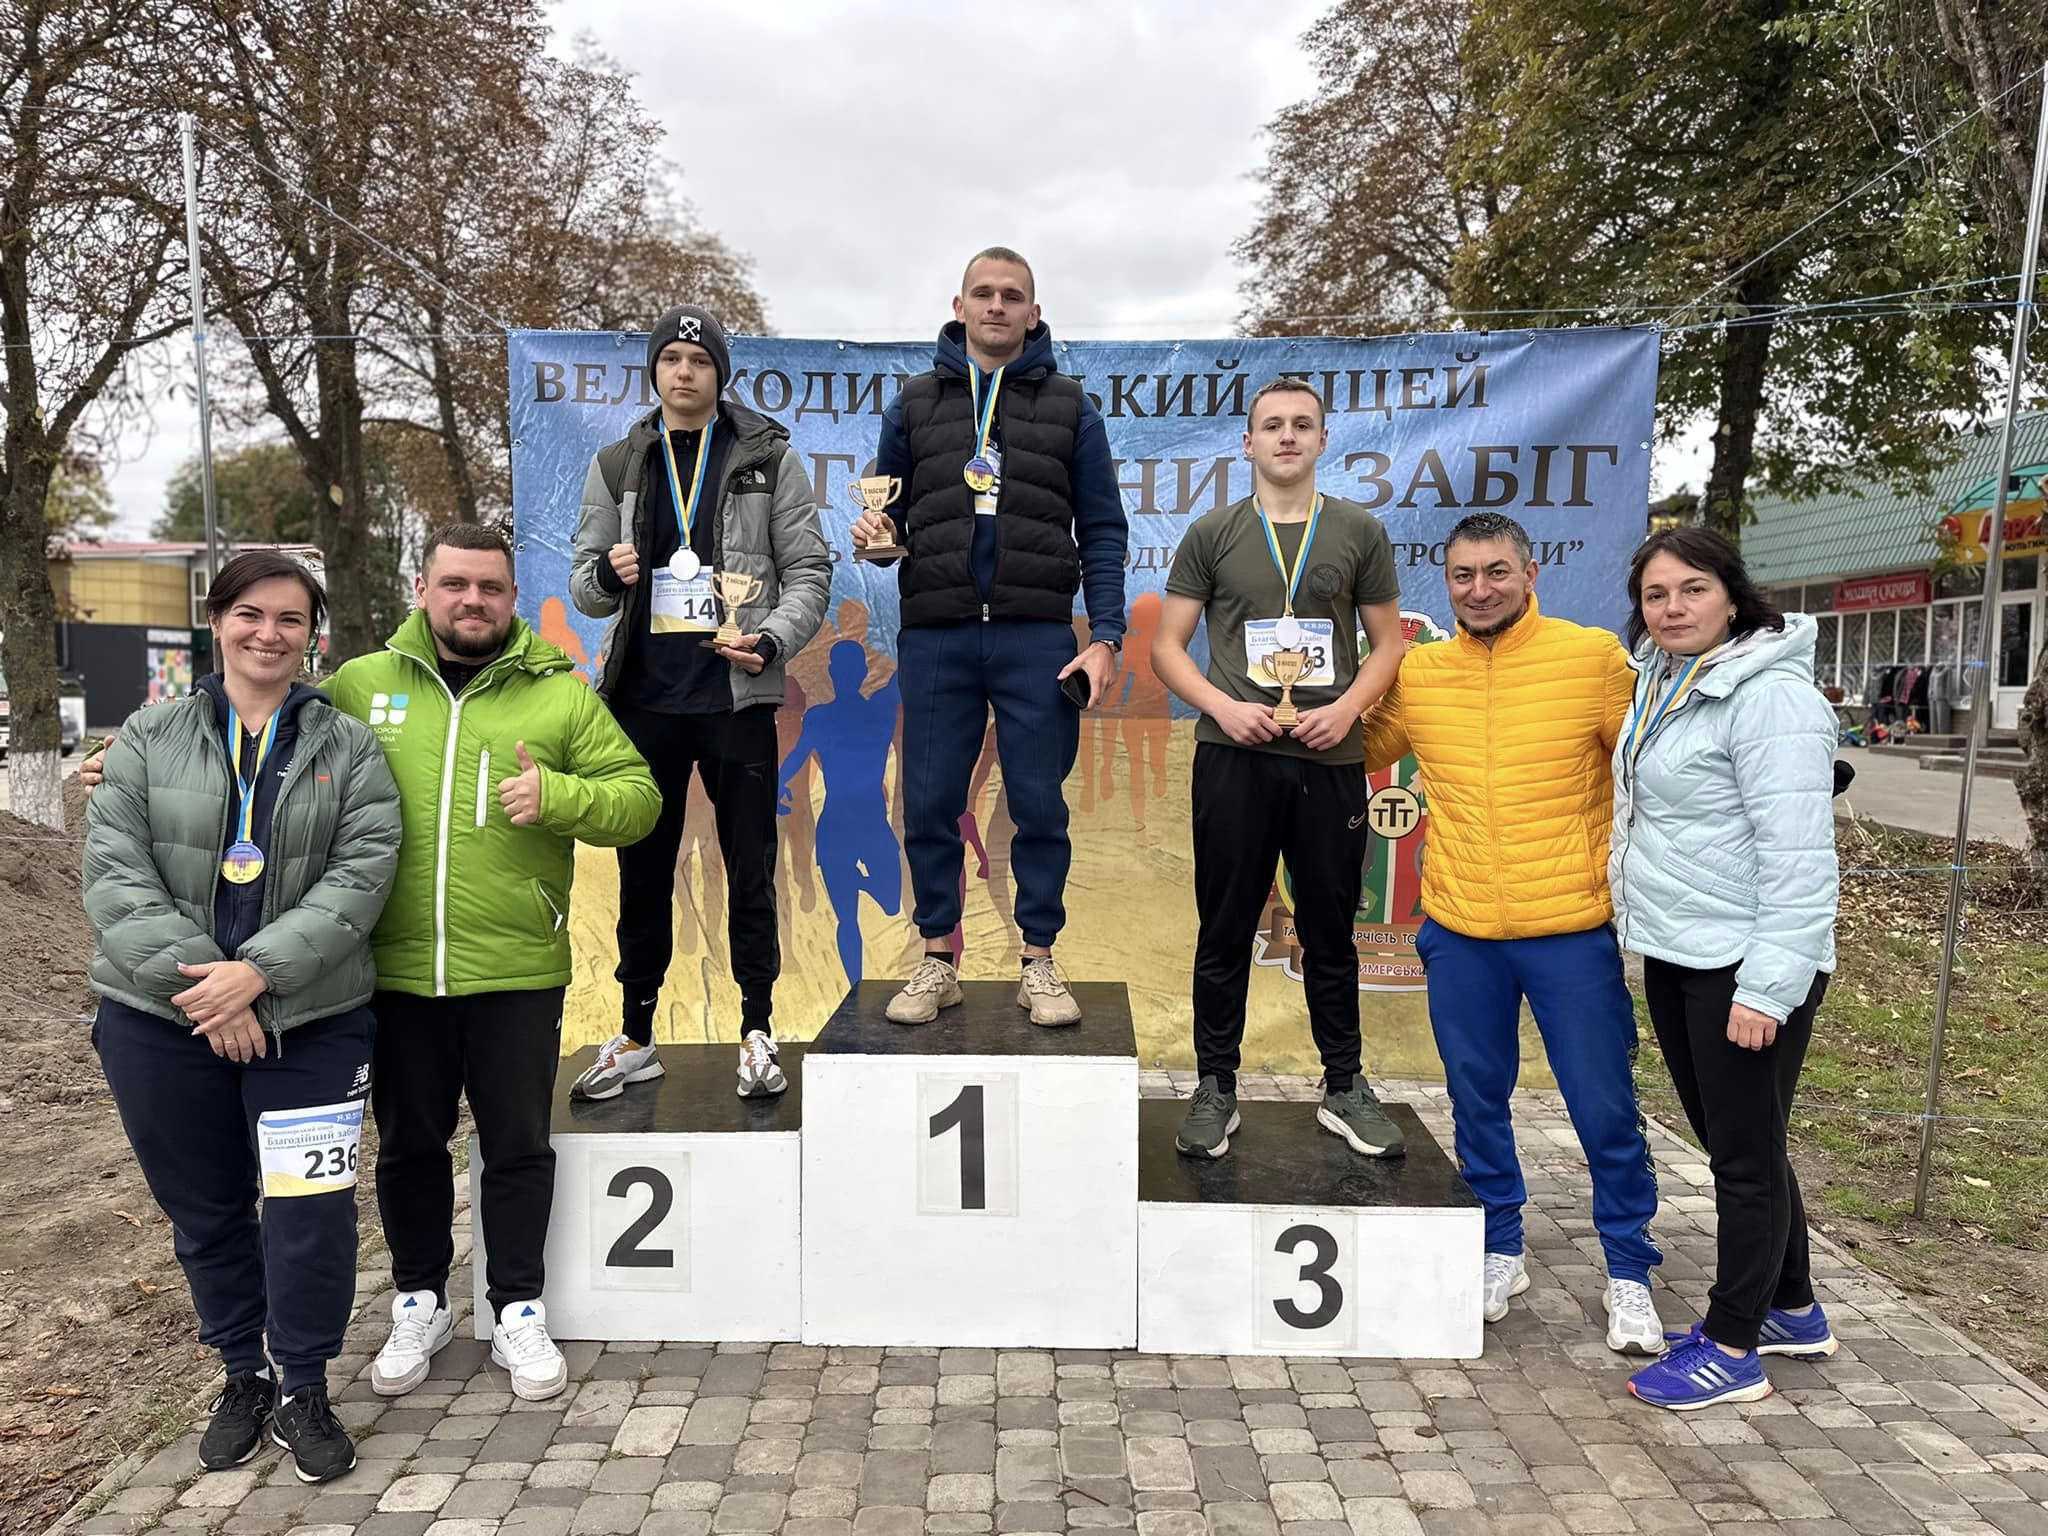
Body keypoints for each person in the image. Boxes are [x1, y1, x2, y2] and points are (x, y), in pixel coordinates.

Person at [82, 552, 401, 1484]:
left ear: (314, 636)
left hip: (312, 1021)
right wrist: (210, 990)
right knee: (209, 1211)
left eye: (291, 620)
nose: (270, 634)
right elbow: (114, 872)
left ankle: (304, 1384)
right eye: (251, 614)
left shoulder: (350, 748)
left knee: (309, 1214)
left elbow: (360, 879)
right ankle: (242, 1375)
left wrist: (254, 977)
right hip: (160, 1018)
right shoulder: (147, 734)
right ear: (215, 621)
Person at [1359, 512, 1665, 1355]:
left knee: (1603, 1108)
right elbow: (1353, 741)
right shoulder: (1422, 674)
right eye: (1463, 575)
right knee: (1475, 1099)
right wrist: (1319, 686)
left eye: (1497, 572)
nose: (1480, 589)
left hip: (1569, 927)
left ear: (1531, 574)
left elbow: (1656, 762)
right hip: (1459, 927)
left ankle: (1631, 1271)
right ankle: (1499, 1246)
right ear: (1445, 584)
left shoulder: (1594, 658)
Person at [848, 246, 1128, 1025]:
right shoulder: (913, 403)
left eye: (1013, 295)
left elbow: (1103, 529)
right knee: (930, 803)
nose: (998, 305)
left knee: (1039, 803)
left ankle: (1040, 960)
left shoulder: (1072, 406)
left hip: (1038, 637)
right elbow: (890, 518)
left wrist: (1104, 634)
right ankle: (939, 958)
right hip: (937, 635)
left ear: (1034, 313)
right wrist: (875, 534)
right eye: (984, 293)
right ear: (959, 305)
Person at [569, 303, 831, 1099]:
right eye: (672, 358)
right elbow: (584, 586)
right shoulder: (618, 463)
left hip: (735, 695)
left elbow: (811, 572)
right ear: (654, 370)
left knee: (748, 868)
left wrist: (773, 642)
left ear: (721, 373)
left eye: (700, 359)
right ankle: (636, 1034)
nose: (684, 371)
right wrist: (607, 576)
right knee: (641, 872)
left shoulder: (767, 459)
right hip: (644, 699)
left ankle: (758, 1030)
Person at [1607, 528, 1840, 1410]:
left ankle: (1735, 1344)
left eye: (1691, 590)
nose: (1672, 608)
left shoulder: (1770, 699)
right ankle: (1792, 1308)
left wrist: (1768, 989)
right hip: (1680, 947)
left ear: (1733, 597)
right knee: (1742, 1143)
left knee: (1742, 1161)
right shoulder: (1669, 679)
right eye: (1657, 594)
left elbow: (1800, 861)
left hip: (1745, 963)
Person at [1150, 378, 1409, 1159]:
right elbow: (1167, 648)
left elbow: (1390, 644)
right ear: (1249, 444)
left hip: (1330, 755)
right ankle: (1215, 1088)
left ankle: (1343, 1087)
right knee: (1224, 927)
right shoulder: (1213, 533)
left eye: (1302, 425)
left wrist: (1350, 710)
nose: (1287, 436)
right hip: (1235, 756)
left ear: (1324, 440)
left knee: (1331, 929)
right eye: (1272, 425)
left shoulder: (1358, 530)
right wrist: (1222, 708)